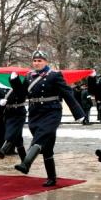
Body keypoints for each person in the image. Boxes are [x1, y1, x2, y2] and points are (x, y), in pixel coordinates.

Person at [12, 49, 85, 187]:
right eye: (34, 60)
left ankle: (26, 163)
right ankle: (52, 177)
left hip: (51, 112)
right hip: (35, 113)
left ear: (46, 61)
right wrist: (15, 81)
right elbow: (21, 95)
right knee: (47, 146)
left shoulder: (54, 75)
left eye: (39, 60)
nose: (37, 63)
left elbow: (67, 93)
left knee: (41, 136)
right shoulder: (29, 76)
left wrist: (79, 114)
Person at [0, 78, 27, 161]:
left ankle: (4, 149)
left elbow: (24, 95)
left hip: (19, 113)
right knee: (18, 139)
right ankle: (25, 161)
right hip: (9, 114)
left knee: (11, 132)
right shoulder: (3, 89)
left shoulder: (21, 88)